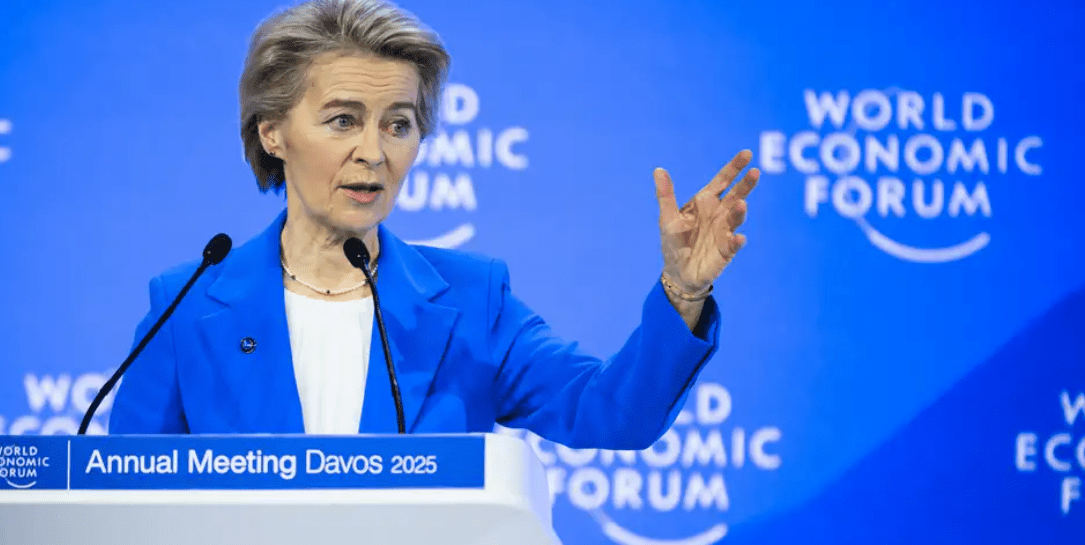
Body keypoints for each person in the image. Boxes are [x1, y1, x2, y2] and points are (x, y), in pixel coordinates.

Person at [108, 0, 758, 449]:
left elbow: (609, 413)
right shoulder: (187, 306)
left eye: (398, 124)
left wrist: (683, 291)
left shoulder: (472, 300)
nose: (373, 151)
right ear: (272, 133)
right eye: (342, 120)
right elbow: (128, 500)